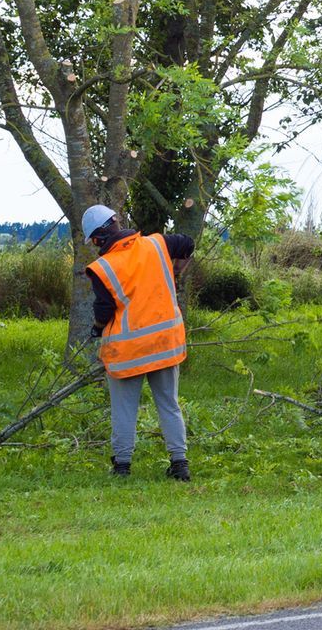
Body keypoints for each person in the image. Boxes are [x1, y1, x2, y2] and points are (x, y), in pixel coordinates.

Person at [82, 204, 194, 481]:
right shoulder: (157, 244)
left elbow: (104, 310)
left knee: (124, 410)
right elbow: (187, 243)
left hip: (128, 353)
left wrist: (96, 329)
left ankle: (122, 467)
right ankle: (179, 464)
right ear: (116, 222)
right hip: (165, 344)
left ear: (97, 239)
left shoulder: (102, 267)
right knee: (169, 404)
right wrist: (176, 269)